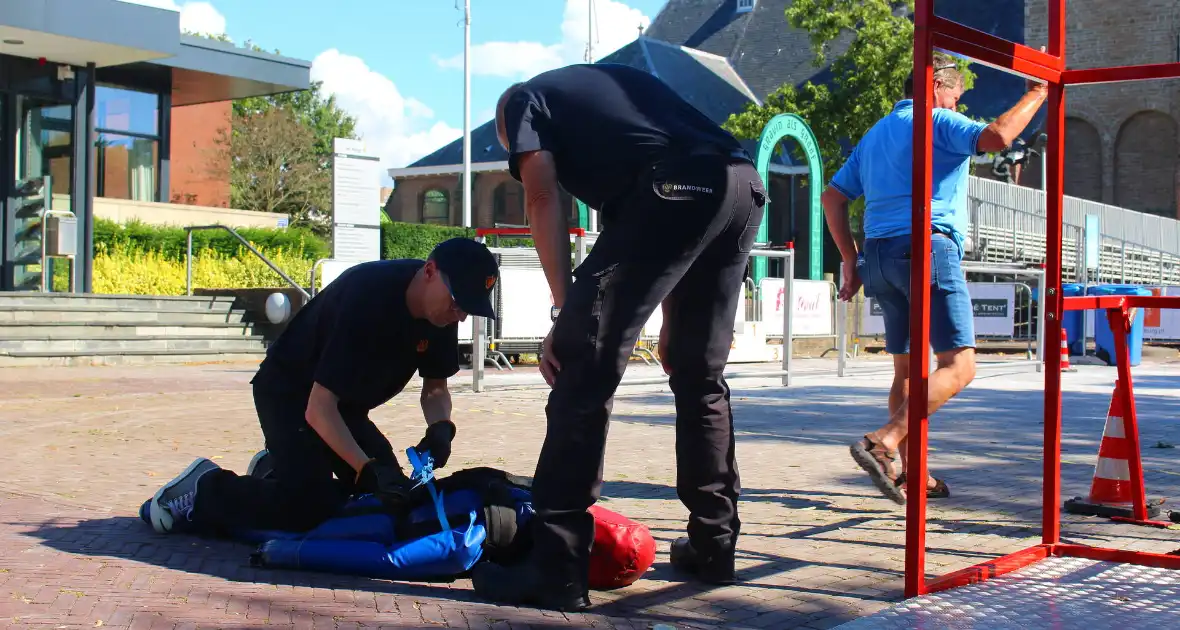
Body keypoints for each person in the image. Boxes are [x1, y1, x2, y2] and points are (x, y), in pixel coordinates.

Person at [471, 63, 767, 612]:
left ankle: (555, 568)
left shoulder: (523, 102)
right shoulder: (598, 89)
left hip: (676, 184)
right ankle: (714, 544)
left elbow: (541, 198)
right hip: (742, 183)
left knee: (584, 365)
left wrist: (565, 310)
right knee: (698, 370)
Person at [142, 238, 500, 537]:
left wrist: (441, 428)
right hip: (290, 395)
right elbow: (318, 408)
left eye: (468, 307)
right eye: (457, 301)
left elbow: (435, 389)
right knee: (306, 508)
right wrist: (366, 468)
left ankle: (281, 469)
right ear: (429, 271)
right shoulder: (368, 298)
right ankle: (205, 488)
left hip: (343, 408)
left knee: (393, 497)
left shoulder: (442, 315)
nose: (462, 315)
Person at [821, 53, 1048, 504]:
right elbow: (999, 135)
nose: (959, 108)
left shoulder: (876, 133)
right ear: (938, 89)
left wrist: (850, 260)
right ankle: (881, 442)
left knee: (906, 368)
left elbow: (832, 197)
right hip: (926, 248)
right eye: (958, 98)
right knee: (960, 366)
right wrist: (1038, 92)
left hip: (880, 257)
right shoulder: (937, 120)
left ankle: (913, 472)